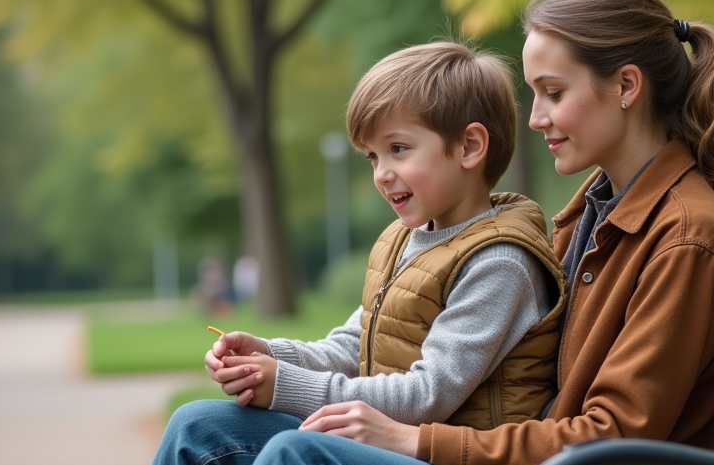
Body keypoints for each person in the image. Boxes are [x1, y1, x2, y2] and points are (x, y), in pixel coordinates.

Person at [75, 0, 714, 465]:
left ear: (626, 86)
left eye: (554, 92)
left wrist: (416, 443)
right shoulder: (597, 209)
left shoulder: (685, 240)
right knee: (203, 430)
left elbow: (609, 446)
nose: (534, 118)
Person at [202, 41, 565, 428]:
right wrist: (270, 357)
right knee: (201, 424)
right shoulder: (402, 240)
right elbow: (354, 346)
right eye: (373, 156)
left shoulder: (499, 262)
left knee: (296, 454)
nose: (381, 174)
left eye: (398, 148)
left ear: (469, 146)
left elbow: (425, 397)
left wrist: (285, 386)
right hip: (394, 450)